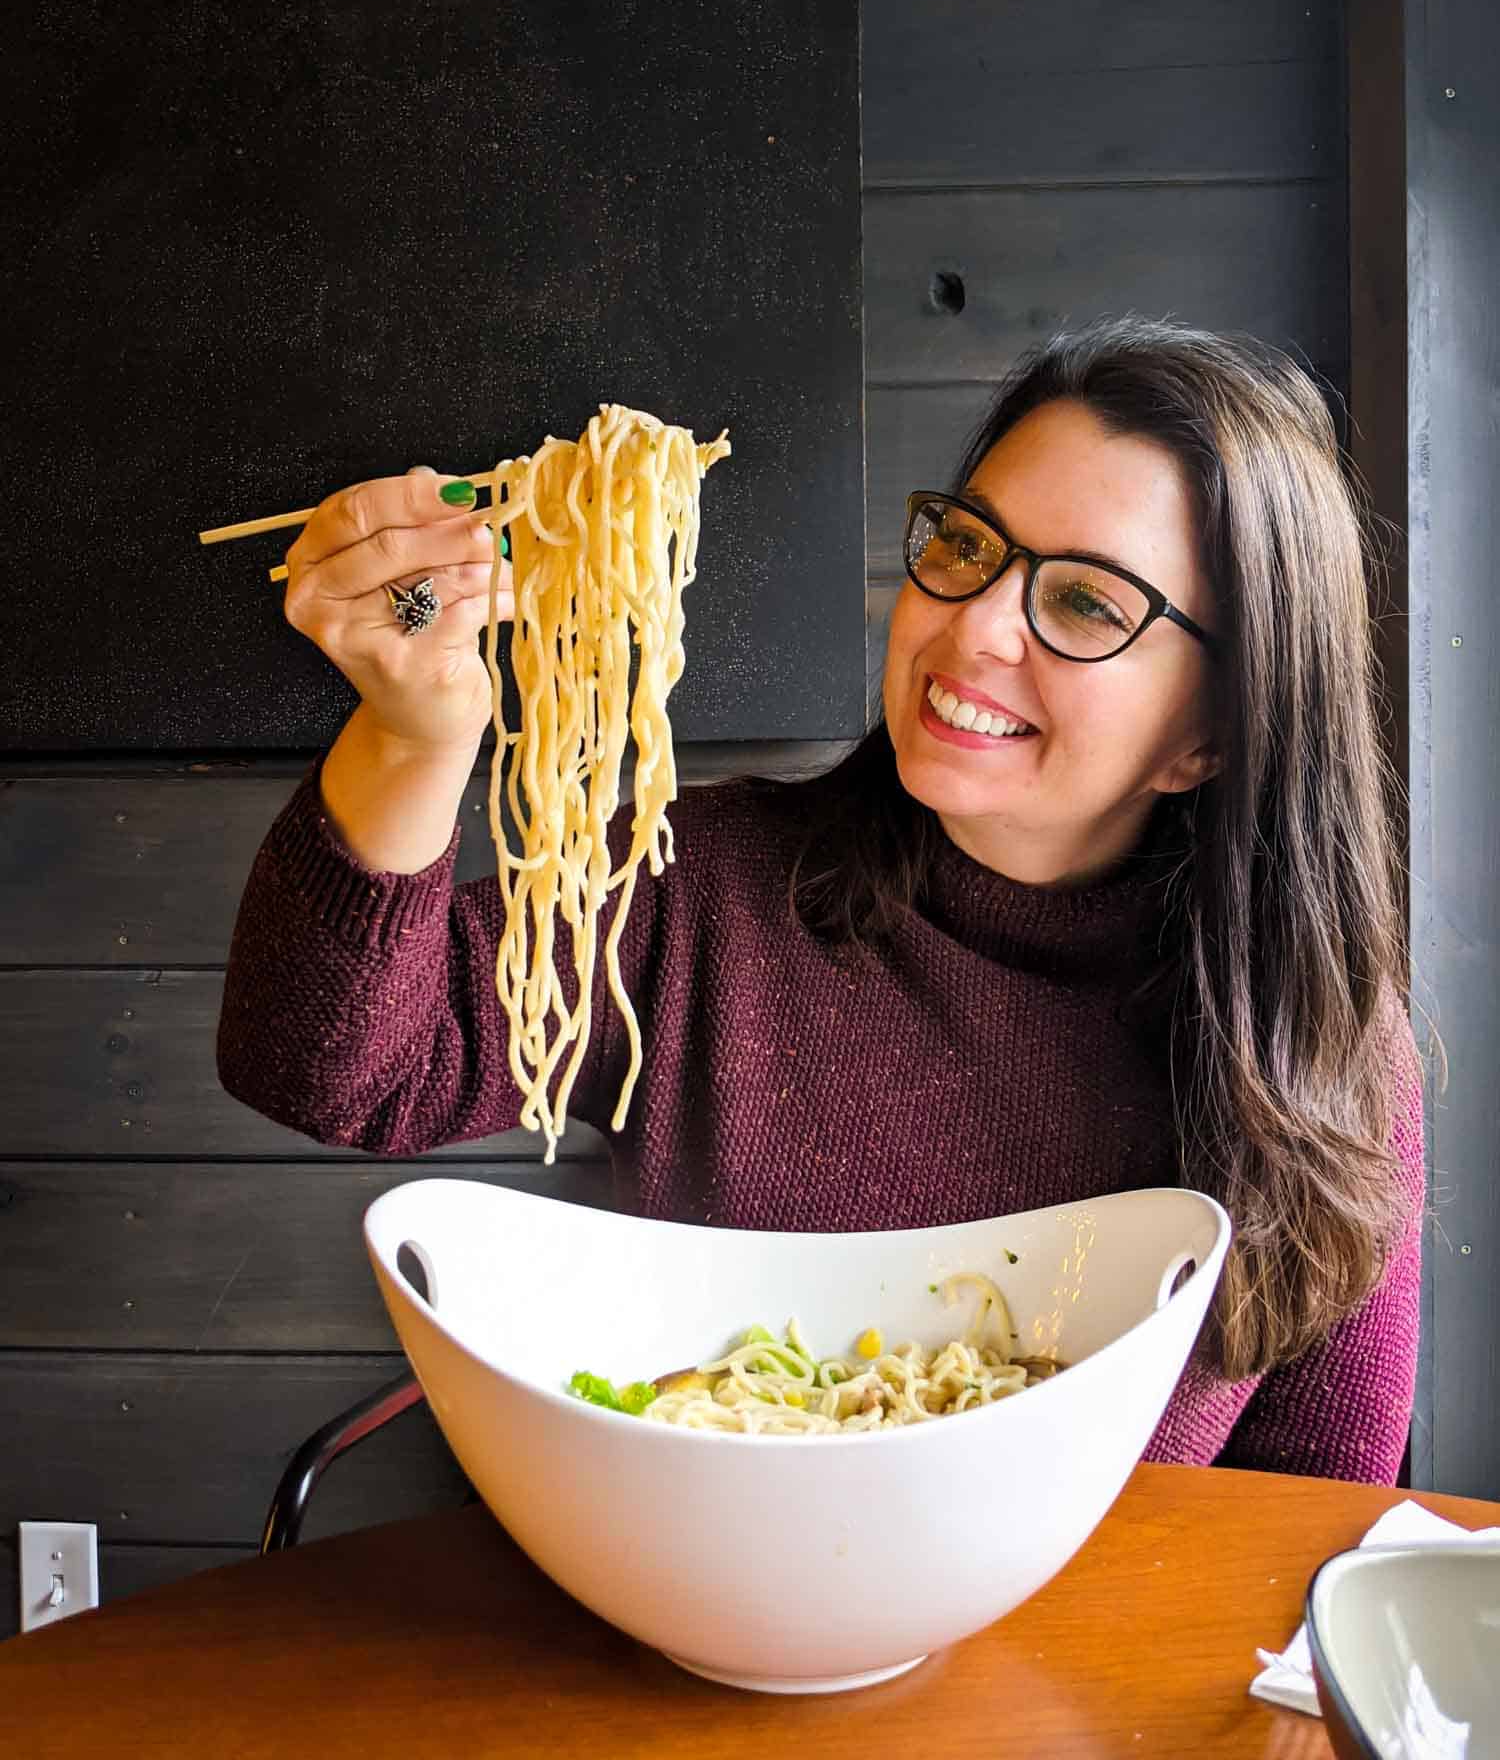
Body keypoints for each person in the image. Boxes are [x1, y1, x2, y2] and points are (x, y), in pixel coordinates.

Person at [217, 317, 1425, 1484]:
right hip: (698, 1622)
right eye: (969, 547)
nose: (977, 626)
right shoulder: (713, 889)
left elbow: (1310, 1507)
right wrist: (412, 733)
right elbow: (336, 1067)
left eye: (1088, 604)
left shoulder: (1306, 1040)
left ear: (1207, 738)